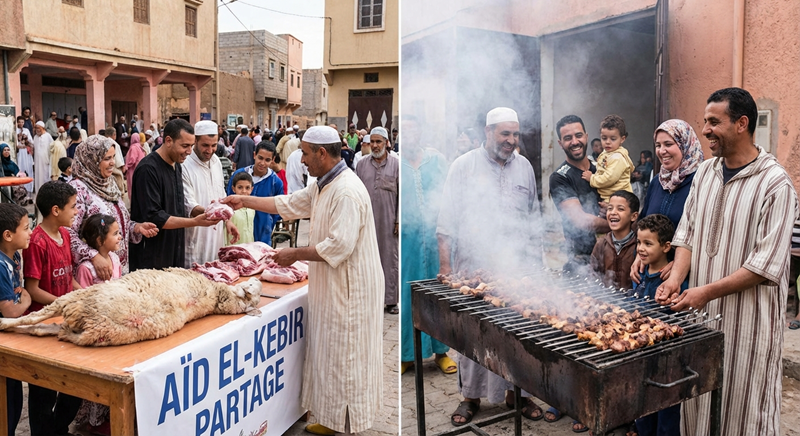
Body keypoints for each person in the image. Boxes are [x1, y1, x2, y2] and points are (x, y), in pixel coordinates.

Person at [221, 125, 383, 435]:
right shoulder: (323, 184)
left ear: (322, 153)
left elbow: (339, 245)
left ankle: (348, 423)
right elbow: (289, 204)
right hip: (334, 284)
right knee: (331, 353)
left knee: (346, 356)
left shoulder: (346, 190)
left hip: (351, 289)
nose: (302, 160)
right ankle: (333, 418)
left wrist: (293, 253)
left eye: (305, 154)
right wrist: (244, 200)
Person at [656, 88, 798, 436]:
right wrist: (675, 278)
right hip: (702, 319)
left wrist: (704, 292)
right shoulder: (705, 172)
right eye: (705, 122)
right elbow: (687, 234)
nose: (705, 130)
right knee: (699, 402)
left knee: (743, 411)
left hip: (749, 325)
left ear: (741, 124)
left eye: (714, 122)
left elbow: (764, 266)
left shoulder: (775, 184)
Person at [438, 107, 542, 426]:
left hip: (515, 266)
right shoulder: (463, 166)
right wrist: (446, 268)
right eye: (504, 133)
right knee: (474, 333)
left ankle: (517, 394)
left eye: (515, 134)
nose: (511, 140)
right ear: (488, 132)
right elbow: (446, 220)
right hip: (474, 267)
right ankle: (470, 397)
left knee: (517, 332)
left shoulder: (524, 167)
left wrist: (536, 264)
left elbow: (534, 217)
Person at [22, 181, 83, 436]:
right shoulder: (37, 242)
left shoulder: (65, 235)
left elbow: (68, 276)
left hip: (65, 321)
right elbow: (32, 289)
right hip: (43, 325)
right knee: (43, 391)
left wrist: (83, 294)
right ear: (56, 210)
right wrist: (62, 304)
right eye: (73, 206)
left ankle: (59, 429)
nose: (77, 211)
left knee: (74, 386)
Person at [399, 115, 455, 375]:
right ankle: (408, 355)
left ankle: (441, 352)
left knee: (438, 291)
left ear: (421, 133)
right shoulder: (396, 164)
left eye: (413, 131)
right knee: (408, 292)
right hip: (407, 239)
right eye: (404, 132)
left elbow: (449, 195)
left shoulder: (436, 160)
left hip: (436, 238)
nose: (409, 137)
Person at [129, 119, 221, 271]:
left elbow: (178, 206)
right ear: (168, 141)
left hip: (174, 251)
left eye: (191, 146)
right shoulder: (148, 169)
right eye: (185, 146)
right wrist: (195, 222)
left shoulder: (177, 165)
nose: (189, 151)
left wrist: (209, 213)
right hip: (152, 256)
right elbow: (155, 217)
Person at [69, 135, 158, 279]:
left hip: (117, 269)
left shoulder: (109, 184)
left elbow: (114, 224)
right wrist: (93, 256)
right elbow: (67, 233)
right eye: (106, 158)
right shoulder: (78, 190)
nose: (112, 163)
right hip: (93, 273)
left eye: (113, 157)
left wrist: (136, 227)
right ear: (91, 160)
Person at [630, 119, 705, 287]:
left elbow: (706, 236)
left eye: (668, 144)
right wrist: (639, 255)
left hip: (685, 281)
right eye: (658, 145)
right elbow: (644, 222)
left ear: (685, 144)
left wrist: (679, 266)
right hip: (650, 274)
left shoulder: (702, 182)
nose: (662, 151)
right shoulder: (658, 181)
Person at [549, 115, 610, 273]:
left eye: (578, 135)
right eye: (568, 138)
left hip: (614, 255)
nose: (575, 142)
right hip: (582, 261)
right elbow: (580, 220)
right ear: (560, 143)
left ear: (586, 136)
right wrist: (621, 225)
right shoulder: (560, 177)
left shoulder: (602, 168)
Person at [182, 120, 239, 267]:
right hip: (195, 236)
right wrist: (215, 213)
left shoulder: (216, 162)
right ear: (195, 141)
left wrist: (227, 220)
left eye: (214, 145)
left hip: (216, 234)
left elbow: (220, 195)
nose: (210, 150)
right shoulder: (184, 165)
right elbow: (189, 205)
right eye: (205, 145)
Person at [356, 127, 399, 314]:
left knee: (389, 259)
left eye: (378, 141)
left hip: (389, 221)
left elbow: (402, 196)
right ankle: (367, 298)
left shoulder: (396, 165)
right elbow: (355, 193)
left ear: (387, 143)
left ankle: (391, 300)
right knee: (365, 259)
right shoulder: (361, 165)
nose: (374, 145)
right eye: (372, 141)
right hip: (366, 220)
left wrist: (398, 220)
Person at [0, 203, 32, 436]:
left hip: (9, 339)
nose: (31, 232)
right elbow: (9, 311)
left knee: (14, 397)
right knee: (7, 404)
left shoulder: (16, 256)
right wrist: (26, 302)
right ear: (8, 235)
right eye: (26, 228)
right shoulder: (1, 266)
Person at [225, 141, 283, 245]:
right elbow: (228, 200)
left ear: (273, 160)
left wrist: (268, 223)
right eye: (260, 158)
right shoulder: (239, 175)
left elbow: (278, 209)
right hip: (238, 232)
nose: (262, 163)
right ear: (254, 155)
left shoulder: (275, 182)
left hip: (263, 234)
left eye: (267, 160)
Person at [590, 190, 639, 289]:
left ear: (633, 216)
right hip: (605, 297)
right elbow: (593, 273)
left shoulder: (639, 245)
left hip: (632, 298)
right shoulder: (601, 243)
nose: (613, 213)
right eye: (610, 208)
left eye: (620, 209)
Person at [582, 114, 635, 201]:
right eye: (604, 138)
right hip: (608, 196)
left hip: (618, 199)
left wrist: (591, 178)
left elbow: (608, 179)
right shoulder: (607, 153)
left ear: (622, 139)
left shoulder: (618, 158)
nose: (607, 142)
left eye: (613, 139)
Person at [226, 172, 255, 245]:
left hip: (248, 246)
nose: (244, 191)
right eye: (240, 187)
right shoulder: (229, 208)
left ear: (251, 189)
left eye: (247, 188)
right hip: (232, 248)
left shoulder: (252, 208)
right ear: (233, 189)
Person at [104, 127, 127, 196]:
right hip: (114, 169)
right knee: (119, 189)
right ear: (114, 134)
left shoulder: (102, 142)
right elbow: (118, 159)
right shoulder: (114, 144)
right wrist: (122, 167)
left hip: (105, 170)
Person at [32, 121, 53, 194]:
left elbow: (52, 148)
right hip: (37, 162)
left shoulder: (48, 136)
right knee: (38, 177)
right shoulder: (35, 137)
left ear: (43, 128)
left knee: (45, 177)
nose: (37, 130)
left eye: (38, 128)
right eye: (36, 128)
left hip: (45, 162)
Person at [125, 132, 146, 200]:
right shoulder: (140, 147)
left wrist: (126, 166)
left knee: (132, 187)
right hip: (139, 170)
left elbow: (132, 159)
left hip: (133, 170)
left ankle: (133, 204)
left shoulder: (133, 147)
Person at [16, 116, 34, 193]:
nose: (21, 123)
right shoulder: (15, 130)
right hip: (19, 152)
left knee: (28, 168)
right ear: (17, 122)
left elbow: (31, 141)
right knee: (20, 167)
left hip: (26, 152)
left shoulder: (26, 130)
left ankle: (29, 188)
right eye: (19, 122)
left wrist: (26, 140)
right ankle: (20, 188)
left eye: (22, 122)